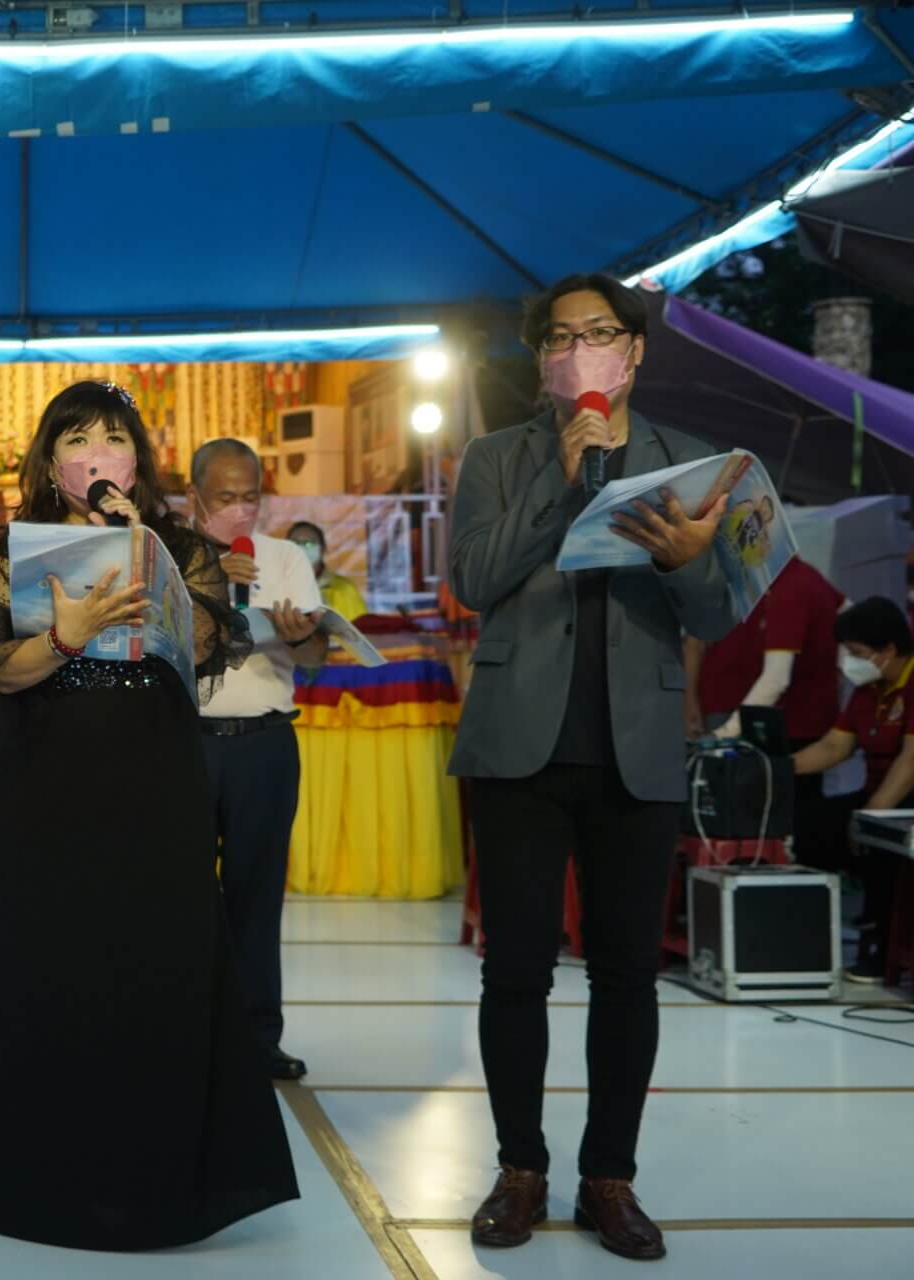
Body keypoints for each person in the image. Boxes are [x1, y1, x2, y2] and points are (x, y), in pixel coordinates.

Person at [0, 381, 299, 1251]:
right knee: (46, 956)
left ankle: (162, 1178)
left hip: (156, 778)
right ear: (51, 461)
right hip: (51, 782)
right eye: (79, 440)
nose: (99, 454)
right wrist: (63, 636)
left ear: (137, 459)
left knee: (160, 955)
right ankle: (32, 1179)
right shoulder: (16, 551)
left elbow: (206, 645)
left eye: (115, 438)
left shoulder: (177, 546)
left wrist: (145, 557)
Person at [447, 274, 736, 1263]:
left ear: (636, 349)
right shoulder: (496, 457)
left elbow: (718, 612)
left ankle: (610, 1177)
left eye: (600, 332)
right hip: (518, 745)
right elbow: (474, 577)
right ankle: (520, 1169)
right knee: (515, 970)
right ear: (541, 359)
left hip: (637, 743)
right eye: (560, 338)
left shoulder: (686, 461)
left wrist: (687, 558)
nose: (581, 351)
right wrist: (559, 476)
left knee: (627, 975)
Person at [187, 437, 328, 1080]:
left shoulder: (286, 557)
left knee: (257, 894)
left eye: (250, 497)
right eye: (225, 498)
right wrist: (213, 584)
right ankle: (185, 1033)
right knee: (181, 895)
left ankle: (257, 1038)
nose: (240, 510)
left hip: (265, 744)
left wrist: (302, 638)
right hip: (185, 743)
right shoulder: (167, 556)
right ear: (194, 497)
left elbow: (316, 657)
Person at [683, 557, 846, 866]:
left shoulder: (789, 591)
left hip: (791, 727)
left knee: (787, 824)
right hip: (800, 721)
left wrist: (727, 732)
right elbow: (847, 611)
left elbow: (775, 679)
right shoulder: (805, 577)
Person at [788, 597, 914, 982]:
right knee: (810, 826)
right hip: (877, 798)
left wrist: (870, 818)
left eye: (856, 652)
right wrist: (777, 769)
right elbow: (834, 746)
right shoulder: (868, 690)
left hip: (903, 800)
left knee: (881, 846)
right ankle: (808, 937)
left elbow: (911, 761)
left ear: (887, 649)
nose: (849, 661)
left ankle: (881, 944)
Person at [286, 519, 368, 620]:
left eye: (309, 543)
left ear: (323, 548)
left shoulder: (344, 590)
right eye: (295, 543)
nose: (301, 547)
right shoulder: (275, 587)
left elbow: (359, 627)